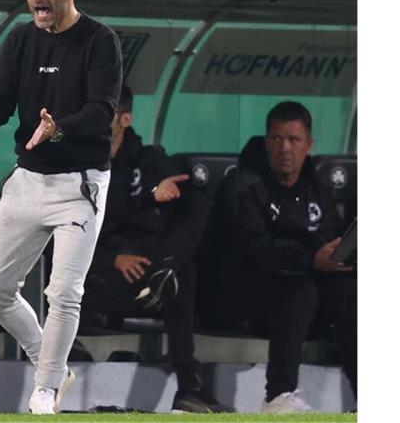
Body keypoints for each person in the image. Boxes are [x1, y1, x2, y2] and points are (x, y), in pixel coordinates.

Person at [0, 0, 122, 414]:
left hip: (80, 185)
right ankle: (50, 365)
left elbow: (103, 112)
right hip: (29, 182)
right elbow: (2, 102)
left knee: (63, 292)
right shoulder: (18, 41)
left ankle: (45, 392)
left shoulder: (100, 41)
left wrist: (60, 127)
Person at [81, 85, 235, 413]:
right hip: (99, 275)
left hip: (151, 272)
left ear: (124, 119)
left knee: (198, 202)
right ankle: (189, 387)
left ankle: (166, 270)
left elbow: (177, 190)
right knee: (184, 275)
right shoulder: (79, 164)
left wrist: (162, 189)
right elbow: (66, 228)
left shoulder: (148, 158)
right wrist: (112, 258)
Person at [219, 101, 356, 413]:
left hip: (306, 302)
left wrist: (337, 257)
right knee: (300, 289)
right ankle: (278, 396)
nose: (285, 148)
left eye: (294, 140)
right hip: (245, 297)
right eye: (277, 139)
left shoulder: (318, 187)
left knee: (350, 292)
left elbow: (329, 236)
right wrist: (310, 259)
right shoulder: (243, 185)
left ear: (308, 145)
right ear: (267, 141)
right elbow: (250, 249)